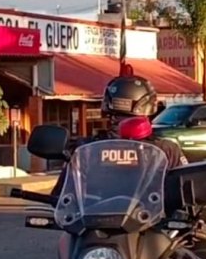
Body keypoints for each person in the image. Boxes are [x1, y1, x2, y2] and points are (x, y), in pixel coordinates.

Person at [50, 74, 188, 196]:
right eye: (114, 116)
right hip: (94, 221)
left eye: (124, 117)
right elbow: (62, 197)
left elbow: (187, 192)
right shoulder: (85, 149)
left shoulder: (166, 150)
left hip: (151, 221)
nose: (117, 122)